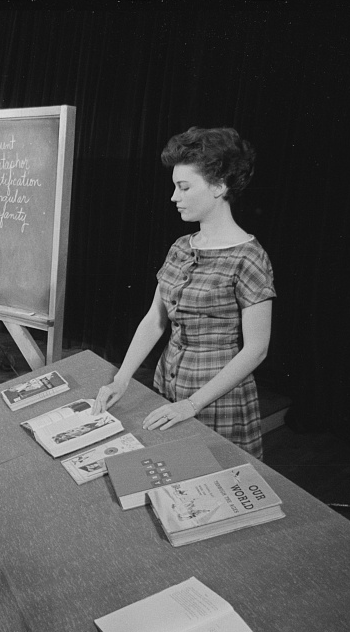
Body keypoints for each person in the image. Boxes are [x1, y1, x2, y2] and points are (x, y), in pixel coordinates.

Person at [92, 127, 275, 459]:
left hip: (216, 402)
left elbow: (257, 349)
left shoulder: (249, 257)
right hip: (168, 389)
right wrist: (122, 378)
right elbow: (155, 320)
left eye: (184, 187)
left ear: (220, 186)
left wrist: (192, 405)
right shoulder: (180, 247)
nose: (174, 197)